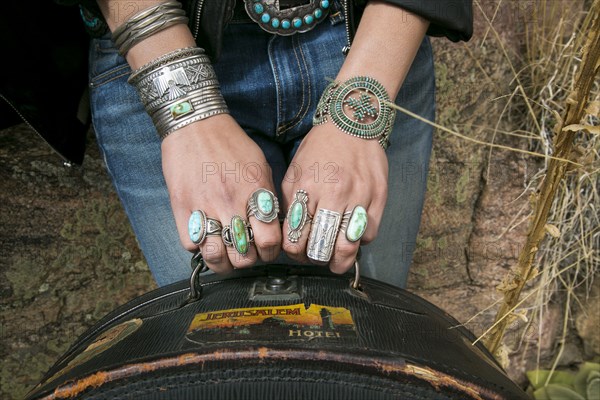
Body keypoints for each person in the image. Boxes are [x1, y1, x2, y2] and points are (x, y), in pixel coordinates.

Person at [38, 0, 473, 288]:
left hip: (375, 36)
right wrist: (187, 109)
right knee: (215, 368)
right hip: (152, 47)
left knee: (363, 358)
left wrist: (359, 105)